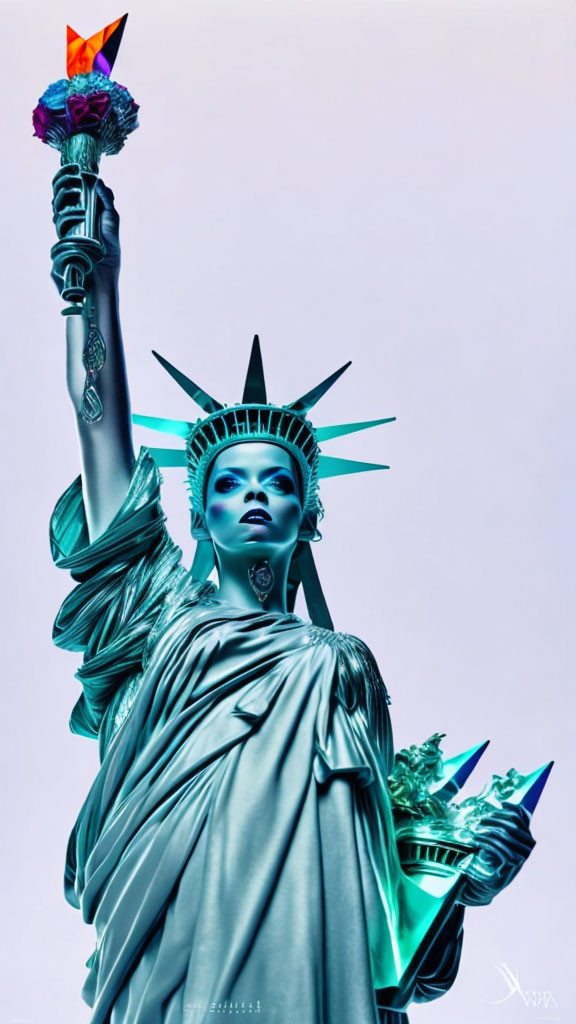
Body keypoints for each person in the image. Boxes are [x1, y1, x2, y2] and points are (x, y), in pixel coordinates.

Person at [49, 166, 536, 1024]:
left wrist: (464, 876)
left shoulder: (343, 667)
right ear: (197, 514)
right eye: (230, 484)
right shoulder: (155, 615)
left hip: (317, 973)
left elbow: (380, 887)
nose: (256, 495)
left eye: (278, 482)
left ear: (310, 512)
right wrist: (95, 290)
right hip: (180, 945)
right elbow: (99, 427)